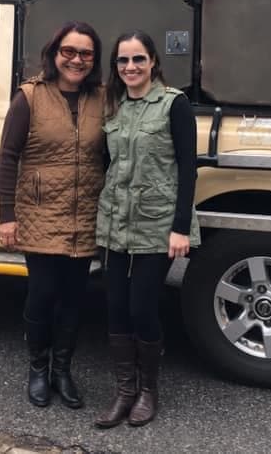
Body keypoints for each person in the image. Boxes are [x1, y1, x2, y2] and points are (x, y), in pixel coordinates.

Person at [0, 21, 105, 409]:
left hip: (85, 214)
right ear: (55, 53)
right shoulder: (30, 97)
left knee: (74, 299)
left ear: (94, 60)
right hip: (40, 214)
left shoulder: (103, 98)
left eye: (86, 53)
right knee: (42, 296)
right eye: (69, 52)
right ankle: (38, 369)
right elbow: (8, 157)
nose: (77, 60)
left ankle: (63, 370)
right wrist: (7, 216)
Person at [94, 31, 199, 428]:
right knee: (116, 307)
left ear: (153, 61)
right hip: (115, 220)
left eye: (138, 59)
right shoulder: (113, 105)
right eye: (123, 61)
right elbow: (108, 163)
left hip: (157, 223)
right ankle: (124, 392)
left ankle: (148, 391)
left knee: (142, 308)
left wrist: (180, 227)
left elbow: (189, 167)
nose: (130, 68)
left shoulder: (175, 105)